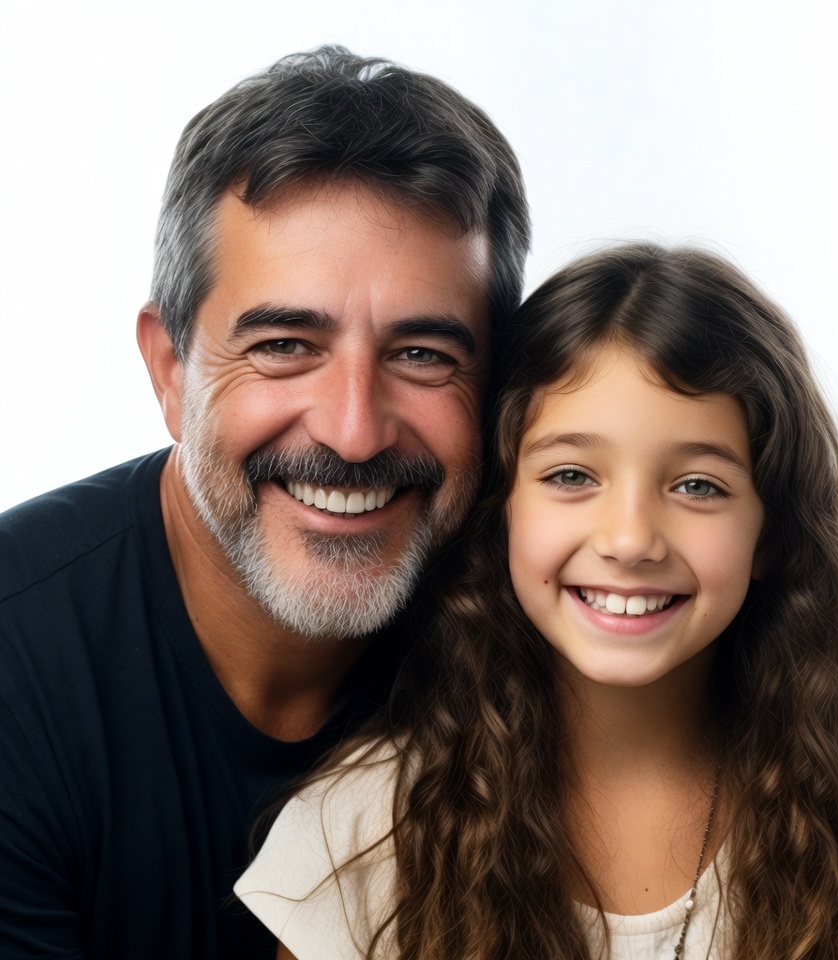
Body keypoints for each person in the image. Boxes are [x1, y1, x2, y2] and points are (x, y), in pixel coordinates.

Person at [236, 243, 838, 959]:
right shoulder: (360, 839)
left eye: (698, 486)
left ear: (770, 532)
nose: (630, 539)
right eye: (572, 476)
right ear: (502, 509)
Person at [0, 46, 529, 960]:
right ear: (171, 371)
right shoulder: (17, 663)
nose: (354, 434)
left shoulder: (553, 629)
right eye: (285, 345)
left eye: (423, 356)